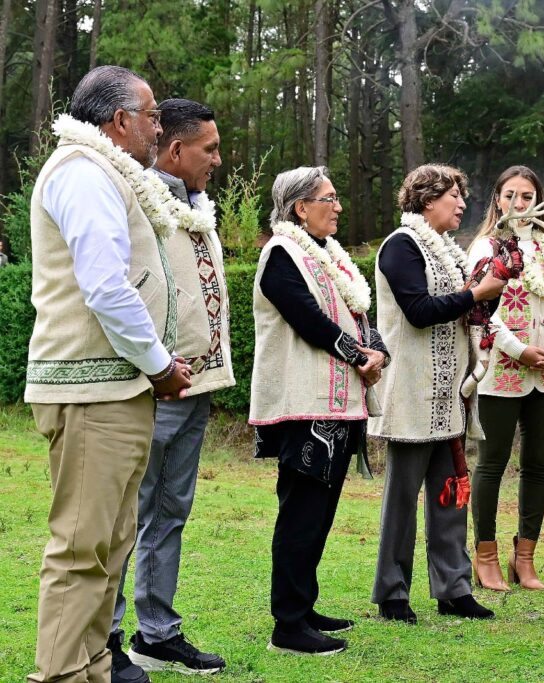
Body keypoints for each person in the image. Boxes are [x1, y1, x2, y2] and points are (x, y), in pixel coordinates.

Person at [24, 65, 191, 683]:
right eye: (151, 117)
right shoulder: (83, 173)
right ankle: (63, 675)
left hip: (113, 388)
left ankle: (92, 667)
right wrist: (160, 364)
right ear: (119, 121)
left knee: (110, 546)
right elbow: (105, 287)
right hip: (90, 389)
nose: (158, 128)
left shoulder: (105, 173)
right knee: (81, 547)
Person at [104, 98, 233, 682]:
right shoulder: (141, 201)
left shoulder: (195, 204)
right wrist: (155, 368)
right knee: (128, 516)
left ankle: (156, 633)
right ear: (176, 150)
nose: (218, 159)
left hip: (197, 385)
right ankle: (104, 639)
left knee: (171, 512)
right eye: (209, 149)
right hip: (155, 387)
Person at [250, 166, 387, 655]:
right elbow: (307, 318)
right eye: (328, 198)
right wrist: (358, 356)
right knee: (301, 512)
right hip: (302, 404)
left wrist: (377, 351)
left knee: (321, 512)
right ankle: (287, 626)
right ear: (299, 208)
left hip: (339, 404)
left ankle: (303, 607)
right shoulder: (280, 254)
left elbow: (357, 313)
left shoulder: (331, 257)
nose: (339, 206)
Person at [370, 163, 507, 624]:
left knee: (451, 494)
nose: (463, 205)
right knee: (402, 500)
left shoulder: (449, 251)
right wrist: (474, 295)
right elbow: (418, 311)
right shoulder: (400, 246)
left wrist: (487, 293)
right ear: (428, 200)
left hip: (450, 393)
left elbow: (463, 306)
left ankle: (454, 589)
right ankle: (392, 594)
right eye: (454, 197)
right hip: (410, 390)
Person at [467, 166, 544, 592]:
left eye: (527, 196)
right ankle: (486, 554)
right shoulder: (484, 248)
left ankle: (525, 557)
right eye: (510, 195)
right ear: (497, 199)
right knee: (491, 464)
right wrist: (520, 351)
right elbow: (482, 311)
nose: (518, 203)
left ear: (537, 201)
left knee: (537, 466)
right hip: (501, 371)